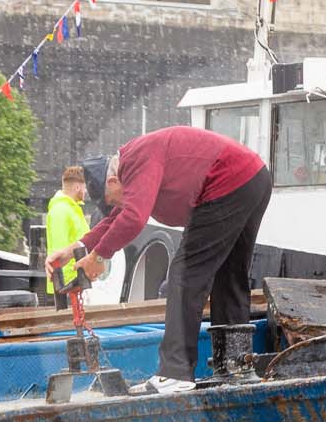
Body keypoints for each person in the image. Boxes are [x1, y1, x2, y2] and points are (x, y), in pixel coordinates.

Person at [44, 125, 271, 394]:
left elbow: (133, 218)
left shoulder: (135, 161)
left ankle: (176, 372)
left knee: (184, 274)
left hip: (226, 182)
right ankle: (233, 366)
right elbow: (120, 217)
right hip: (253, 178)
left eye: (112, 201)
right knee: (229, 274)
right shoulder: (133, 165)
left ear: (113, 182)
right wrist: (75, 248)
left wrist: (99, 256)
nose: (115, 207)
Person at [43, 165, 90, 308]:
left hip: (76, 283)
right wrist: (66, 285)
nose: (86, 191)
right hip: (68, 288)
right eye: (85, 187)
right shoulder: (61, 211)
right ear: (77, 187)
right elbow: (59, 251)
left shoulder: (72, 209)